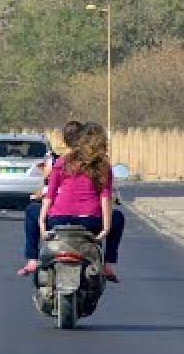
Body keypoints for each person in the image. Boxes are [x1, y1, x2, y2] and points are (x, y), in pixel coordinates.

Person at [39, 122, 125, 282]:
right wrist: (106, 228)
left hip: (59, 219)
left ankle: (37, 263)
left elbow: (50, 193)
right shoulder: (103, 166)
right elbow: (105, 197)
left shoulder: (63, 161)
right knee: (118, 217)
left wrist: (42, 221)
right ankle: (108, 264)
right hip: (91, 222)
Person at [18, 120, 80, 276]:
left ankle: (32, 259)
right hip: (90, 218)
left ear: (64, 138)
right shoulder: (94, 160)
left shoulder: (57, 160)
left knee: (32, 210)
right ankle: (107, 262)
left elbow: (49, 189)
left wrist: (42, 217)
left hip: (58, 215)